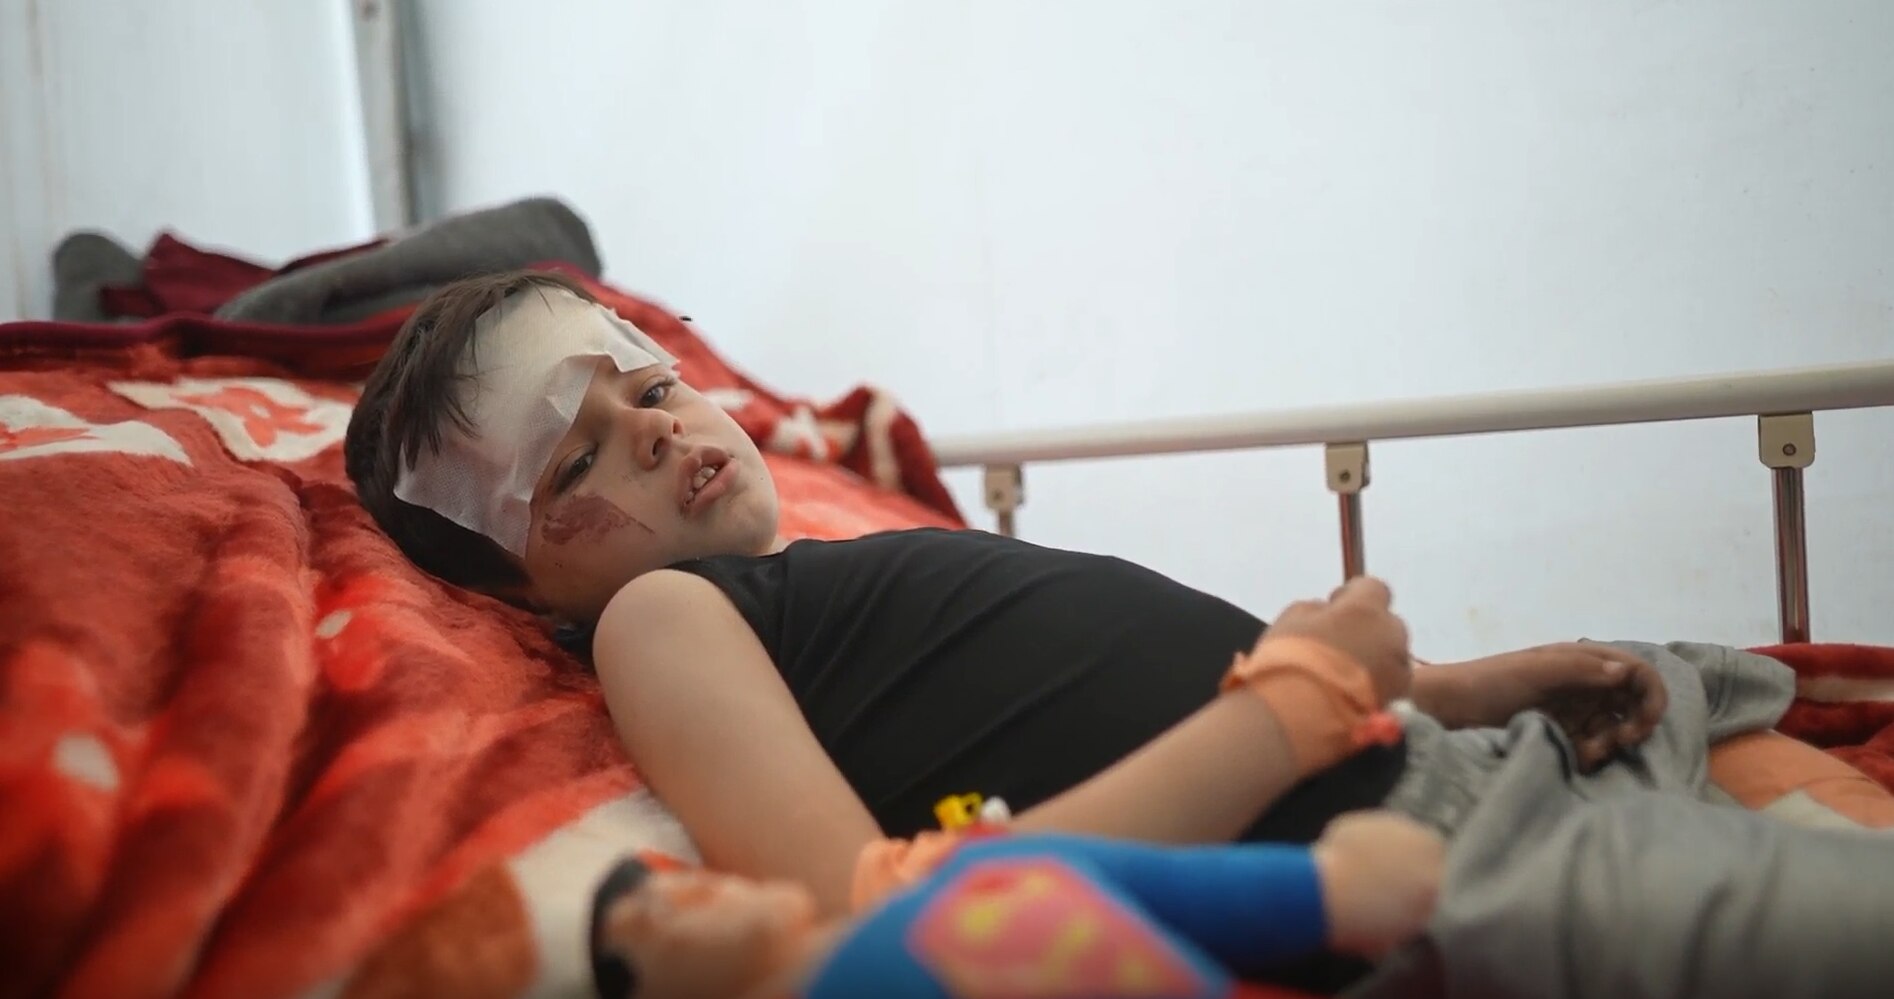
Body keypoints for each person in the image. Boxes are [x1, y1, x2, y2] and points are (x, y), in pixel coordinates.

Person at [343, 270, 1666, 918]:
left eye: (647, 383)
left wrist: (1443, 682)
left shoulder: (823, 574)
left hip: (1455, 758)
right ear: (519, 591)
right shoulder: (659, 616)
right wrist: (1301, 697)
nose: (653, 427)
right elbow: (873, 903)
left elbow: (1132, 668)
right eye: (573, 456)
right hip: (1403, 852)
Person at [586, 809, 1447, 999]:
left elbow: (1182, 892)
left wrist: (1328, 888)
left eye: (676, 879)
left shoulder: (986, 875)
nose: (677, 891)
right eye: (647, 925)